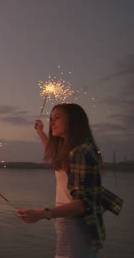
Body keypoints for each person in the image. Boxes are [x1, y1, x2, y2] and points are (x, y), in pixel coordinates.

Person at [17, 103, 123, 258]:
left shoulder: (80, 152)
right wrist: (40, 131)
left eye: (57, 118)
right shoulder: (73, 150)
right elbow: (54, 156)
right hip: (69, 224)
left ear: (73, 121)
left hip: (77, 227)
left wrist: (42, 214)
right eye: (51, 119)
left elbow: (83, 204)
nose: (51, 123)